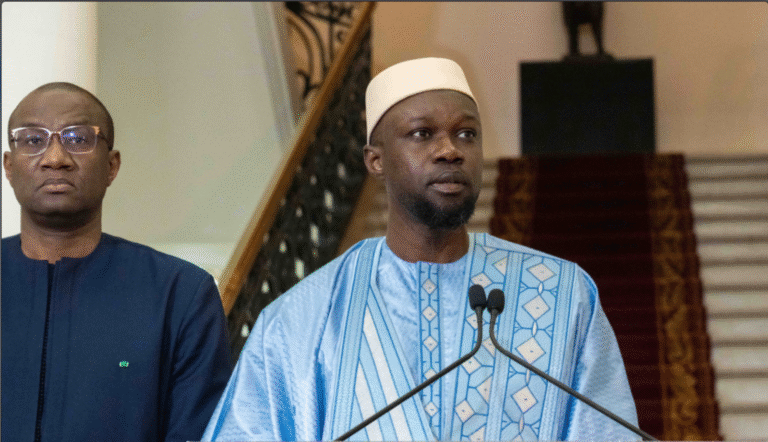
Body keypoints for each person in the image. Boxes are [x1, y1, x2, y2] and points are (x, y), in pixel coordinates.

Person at [203, 58, 639, 441]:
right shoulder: (300, 320)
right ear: (375, 161)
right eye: (422, 134)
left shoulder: (563, 295)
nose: (450, 150)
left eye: (466, 133)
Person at [2, 82, 232, 442]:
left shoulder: (180, 294)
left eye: (78, 139)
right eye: (33, 140)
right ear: (9, 166)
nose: (55, 158)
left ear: (112, 166)